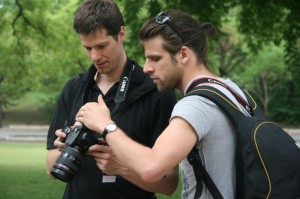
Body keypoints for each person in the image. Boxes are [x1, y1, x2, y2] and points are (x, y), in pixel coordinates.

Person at [75, 9, 253, 199]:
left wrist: (106, 125)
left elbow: (151, 168)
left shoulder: (195, 106)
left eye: (155, 58)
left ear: (183, 54)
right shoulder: (232, 90)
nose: (146, 68)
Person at [45, 1, 179, 199]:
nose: (95, 56)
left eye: (102, 46)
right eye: (87, 48)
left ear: (121, 34)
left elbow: (169, 183)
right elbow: (50, 167)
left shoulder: (155, 90)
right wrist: (67, 147)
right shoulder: (74, 88)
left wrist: (122, 167)